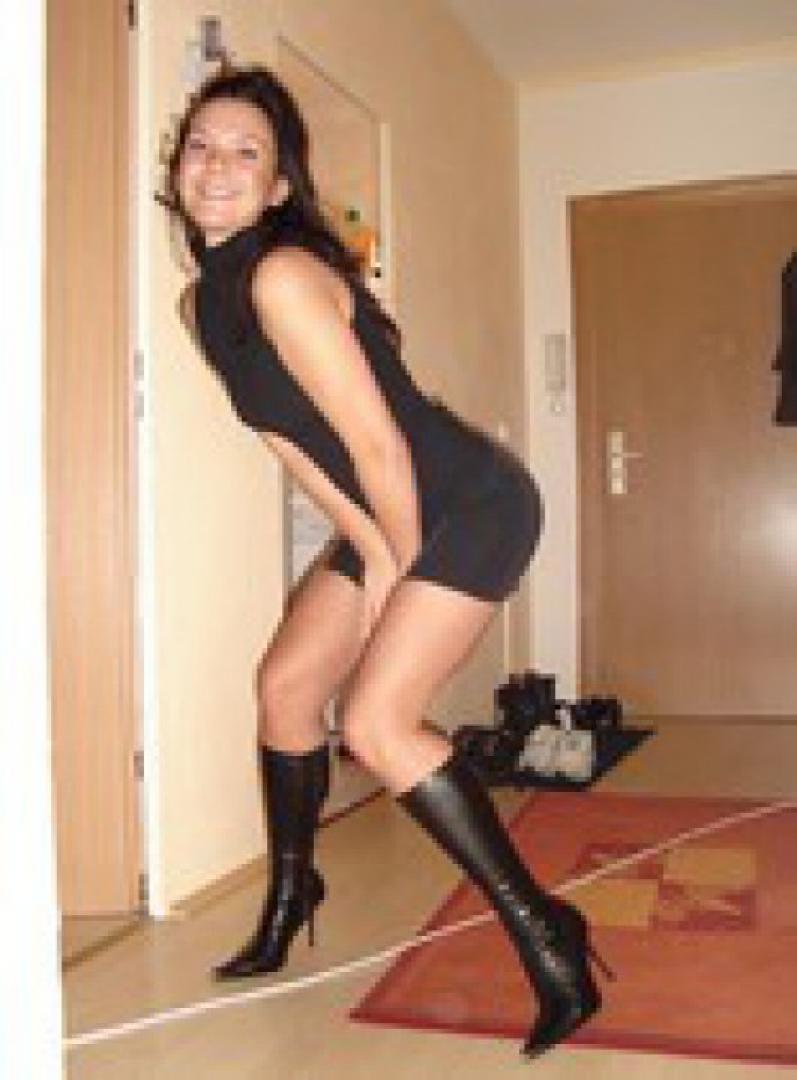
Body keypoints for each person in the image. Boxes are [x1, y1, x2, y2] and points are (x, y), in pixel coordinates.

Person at [161, 63, 608, 1059]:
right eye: (200, 147)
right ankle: (293, 893)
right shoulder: (203, 306)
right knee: (286, 690)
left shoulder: (281, 275)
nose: (217, 166)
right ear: (177, 170)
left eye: (244, 152)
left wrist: (398, 572)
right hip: (388, 509)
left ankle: (549, 935)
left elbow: (377, 445)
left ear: (278, 186)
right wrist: (368, 552)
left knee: (374, 722)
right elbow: (286, 442)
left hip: (468, 503)